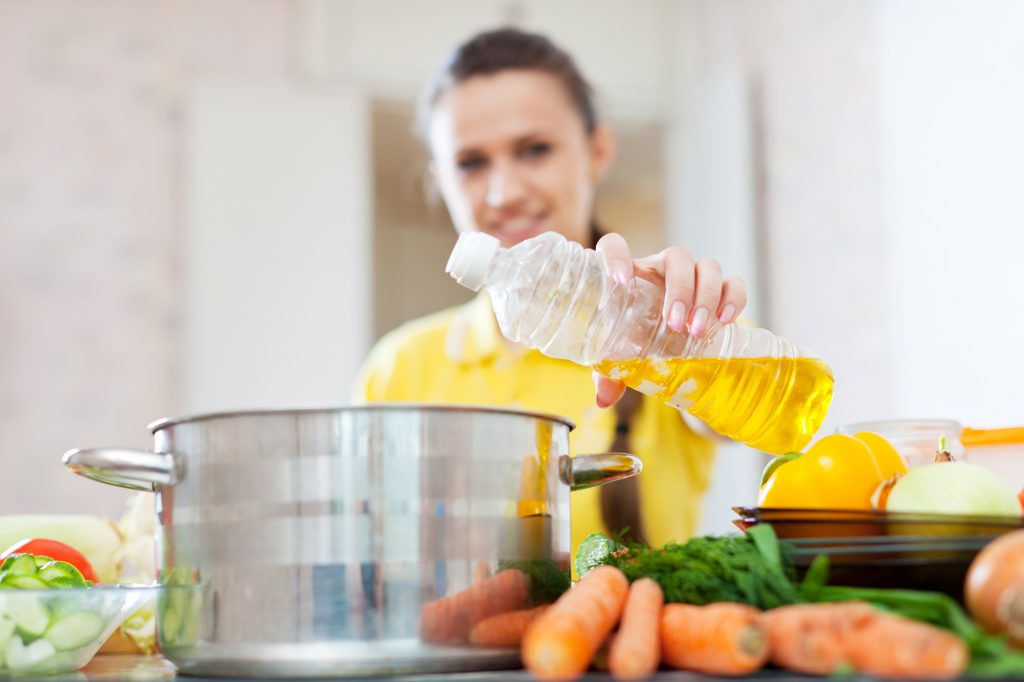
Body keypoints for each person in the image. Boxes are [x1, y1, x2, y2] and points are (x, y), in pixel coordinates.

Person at [354, 28, 747, 554]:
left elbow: (751, 416)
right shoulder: (398, 370)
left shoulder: (669, 327)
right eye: (471, 163)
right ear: (440, 179)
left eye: (534, 150)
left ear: (598, 150)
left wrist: (684, 334)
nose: (504, 192)